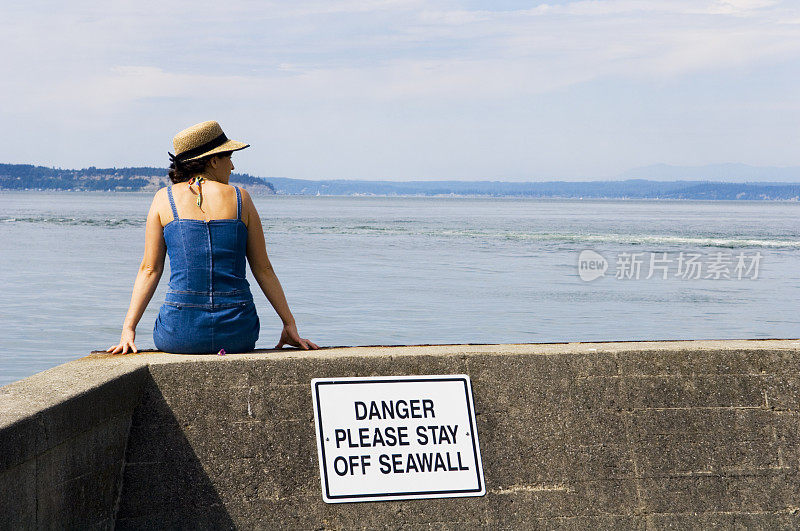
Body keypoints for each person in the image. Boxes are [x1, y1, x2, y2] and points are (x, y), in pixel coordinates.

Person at [107, 120, 318, 354]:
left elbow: (149, 269)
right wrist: (289, 324)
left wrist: (128, 329)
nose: (233, 167)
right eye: (229, 157)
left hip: (179, 333)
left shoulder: (162, 199)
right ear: (213, 160)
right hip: (238, 332)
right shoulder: (241, 198)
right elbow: (264, 269)